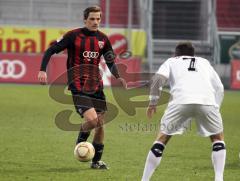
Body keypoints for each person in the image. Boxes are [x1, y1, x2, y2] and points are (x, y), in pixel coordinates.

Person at [38, 6, 125, 169]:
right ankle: (80, 143)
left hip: (96, 86)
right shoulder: (73, 35)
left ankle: (96, 161)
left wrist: (118, 77)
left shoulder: (103, 39)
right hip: (78, 86)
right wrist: (42, 70)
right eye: (92, 19)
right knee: (92, 121)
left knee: (100, 123)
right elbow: (50, 50)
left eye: (98, 18)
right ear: (85, 20)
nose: (95, 22)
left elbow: (111, 61)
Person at [141, 42, 225, 181]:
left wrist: (153, 102)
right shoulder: (204, 62)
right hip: (207, 102)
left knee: (162, 139)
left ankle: (144, 180)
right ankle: (219, 178)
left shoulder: (172, 61)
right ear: (193, 55)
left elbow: (158, 80)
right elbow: (219, 87)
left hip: (180, 101)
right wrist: (216, 107)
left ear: (176, 54)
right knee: (217, 138)